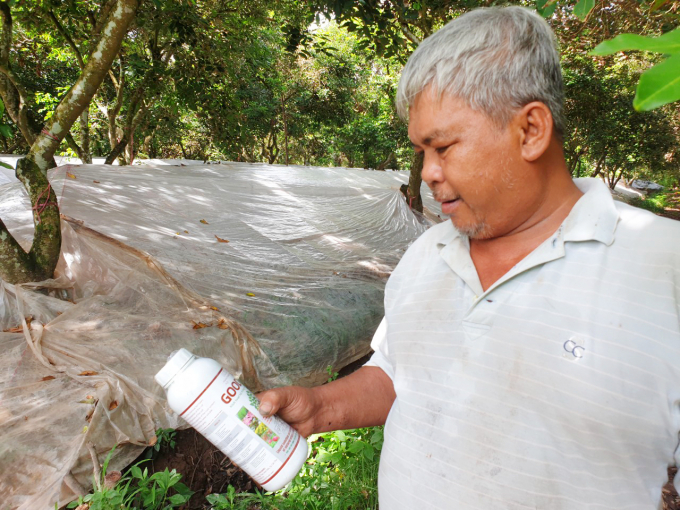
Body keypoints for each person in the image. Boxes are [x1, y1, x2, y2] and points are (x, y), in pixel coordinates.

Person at [258, 6, 680, 509]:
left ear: (530, 131)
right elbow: (398, 372)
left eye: (443, 147)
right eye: (421, 151)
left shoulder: (663, 271)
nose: (429, 173)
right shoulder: (425, 256)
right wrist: (320, 406)